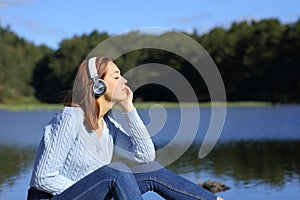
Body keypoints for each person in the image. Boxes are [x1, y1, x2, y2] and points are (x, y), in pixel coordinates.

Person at [27, 56, 224, 200]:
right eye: (116, 76)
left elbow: (146, 156)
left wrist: (129, 108)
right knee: (117, 171)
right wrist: (94, 192)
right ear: (98, 86)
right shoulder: (70, 118)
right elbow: (42, 178)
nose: (125, 80)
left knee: (149, 171)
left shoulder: (108, 125)